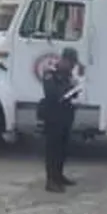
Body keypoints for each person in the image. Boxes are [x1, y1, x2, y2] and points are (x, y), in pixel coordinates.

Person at [40, 47, 80, 192]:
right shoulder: (50, 73)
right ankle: (51, 180)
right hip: (53, 115)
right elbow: (52, 93)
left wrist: (75, 89)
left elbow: (71, 95)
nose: (73, 66)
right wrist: (68, 89)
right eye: (72, 63)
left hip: (65, 115)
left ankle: (59, 176)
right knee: (53, 150)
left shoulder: (68, 75)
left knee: (63, 149)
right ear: (65, 60)